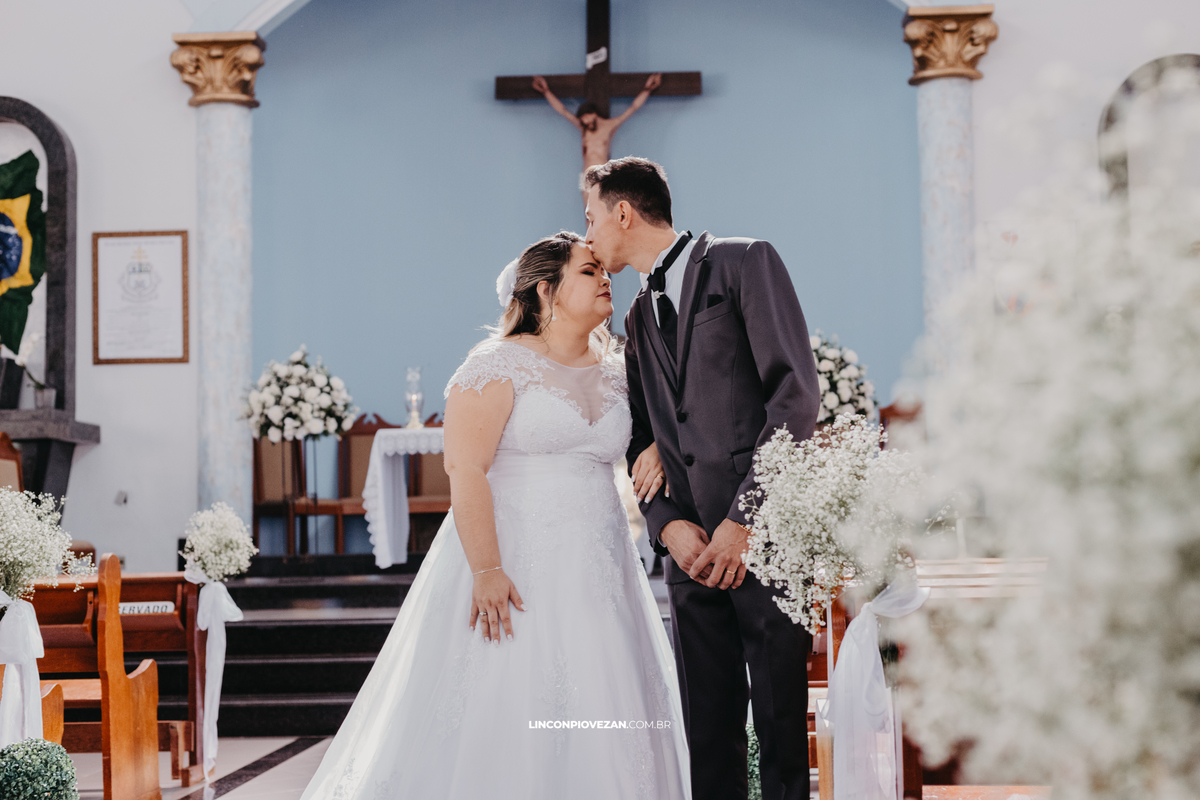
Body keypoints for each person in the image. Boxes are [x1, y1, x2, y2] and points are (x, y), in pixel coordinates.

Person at [299, 232, 691, 799]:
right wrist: (486, 569)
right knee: (509, 689)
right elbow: (465, 469)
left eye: (605, 271)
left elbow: (650, 435)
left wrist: (655, 447)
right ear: (545, 290)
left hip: (601, 565)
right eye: (589, 271)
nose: (607, 279)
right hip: (514, 558)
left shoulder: (618, 369)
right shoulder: (496, 365)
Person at [583, 157, 821, 800]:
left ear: (623, 213)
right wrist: (667, 528)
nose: (589, 236)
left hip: (763, 542)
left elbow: (794, 399)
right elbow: (640, 435)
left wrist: (744, 521)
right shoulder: (636, 317)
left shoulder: (744, 262)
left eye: (591, 218)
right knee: (708, 734)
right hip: (690, 555)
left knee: (779, 729)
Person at [532, 73, 662, 201]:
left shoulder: (609, 126)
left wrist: (648, 89)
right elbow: (563, 111)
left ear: (593, 113)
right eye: (583, 121)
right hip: (586, 174)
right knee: (588, 211)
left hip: (603, 174)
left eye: (586, 118)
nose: (585, 122)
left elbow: (633, 108)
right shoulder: (583, 129)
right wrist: (546, 91)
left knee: (603, 209)